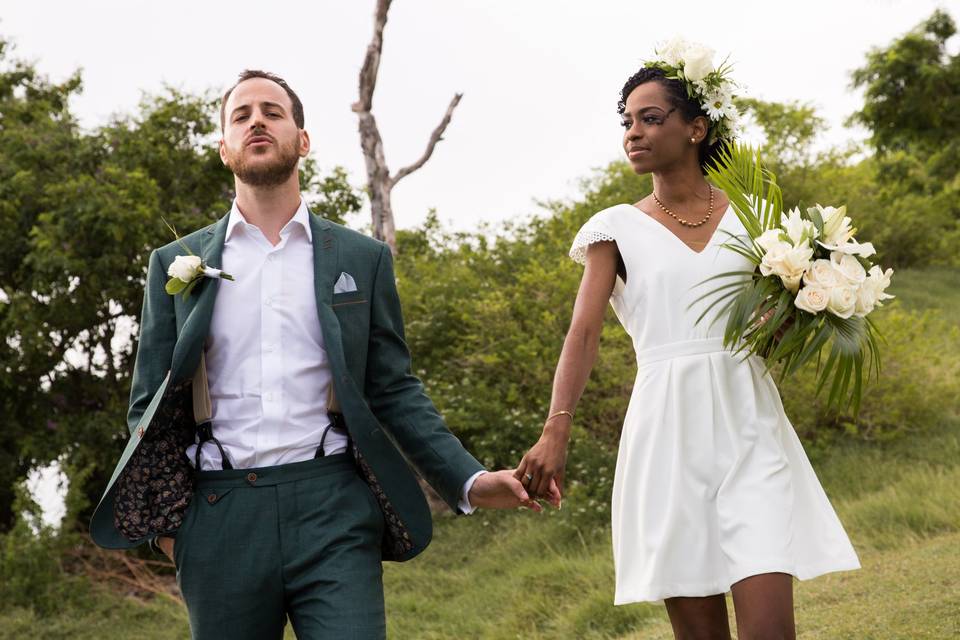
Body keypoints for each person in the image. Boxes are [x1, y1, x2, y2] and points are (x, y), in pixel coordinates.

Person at [89, 69, 556, 640]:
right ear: (223, 149)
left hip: (332, 506)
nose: (256, 120)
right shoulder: (175, 263)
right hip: (219, 513)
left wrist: (469, 480)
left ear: (302, 140)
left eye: (272, 111)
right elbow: (149, 405)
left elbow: (394, 389)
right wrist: (174, 529)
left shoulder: (361, 258)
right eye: (241, 116)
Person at [515, 44, 861, 640]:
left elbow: (775, 322)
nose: (633, 132)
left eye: (651, 118)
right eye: (626, 120)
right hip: (666, 434)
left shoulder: (756, 218)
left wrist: (806, 307)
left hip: (750, 425)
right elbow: (584, 331)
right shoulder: (613, 229)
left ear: (696, 128)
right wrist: (556, 427)